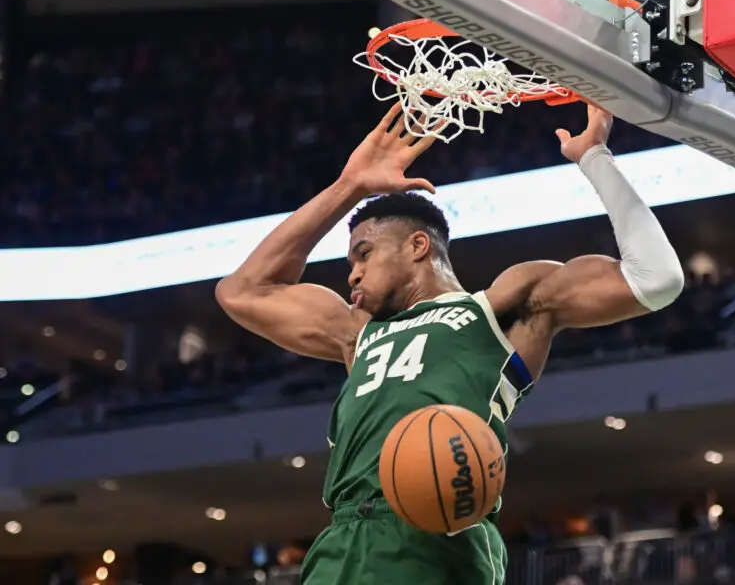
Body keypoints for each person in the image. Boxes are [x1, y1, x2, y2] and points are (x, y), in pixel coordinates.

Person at [216, 102, 684, 585]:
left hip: (439, 535)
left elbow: (657, 279)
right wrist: (348, 187)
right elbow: (241, 291)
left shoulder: (501, 307)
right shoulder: (355, 332)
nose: (352, 271)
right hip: (340, 544)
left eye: (364, 252)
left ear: (417, 246)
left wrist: (594, 157)